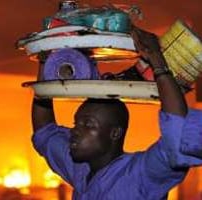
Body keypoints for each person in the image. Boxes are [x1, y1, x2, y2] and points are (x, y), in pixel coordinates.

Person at [31, 27, 202, 199]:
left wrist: (157, 61)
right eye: (76, 123)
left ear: (115, 133)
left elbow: (179, 139)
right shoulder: (81, 170)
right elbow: (45, 133)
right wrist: (46, 64)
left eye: (88, 124)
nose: (75, 130)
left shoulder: (140, 175)